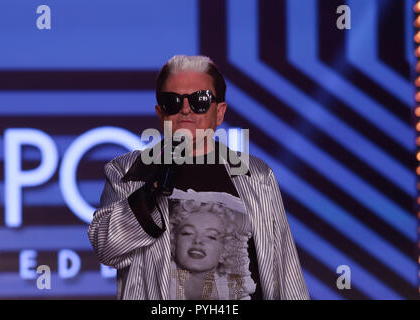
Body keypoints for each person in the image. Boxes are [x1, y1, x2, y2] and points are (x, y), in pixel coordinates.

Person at [88, 54, 310, 300]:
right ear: (160, 113)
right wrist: (150, 188)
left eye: (199, 100)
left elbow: (284, 270)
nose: (185, 109)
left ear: (220, 112)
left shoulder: (255, 175)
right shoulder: (129, 171)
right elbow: (108, 249)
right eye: (172, 101)